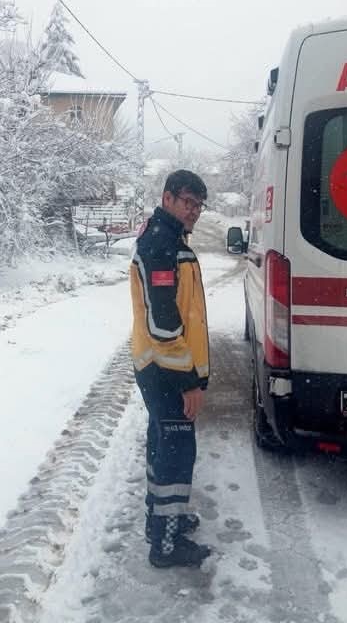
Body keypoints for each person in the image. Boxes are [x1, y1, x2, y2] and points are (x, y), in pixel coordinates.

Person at [129, 169, 211, 568]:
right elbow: (164, 324)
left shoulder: (168, 236)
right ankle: (166, 544)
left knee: (163, 447)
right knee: (176, 455)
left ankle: (163, 521)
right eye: (187, 201)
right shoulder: (162, 243)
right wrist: (188, 382)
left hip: (160, 366)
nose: (193, 210)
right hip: (166, 369)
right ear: (167, 199)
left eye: (198, 204)